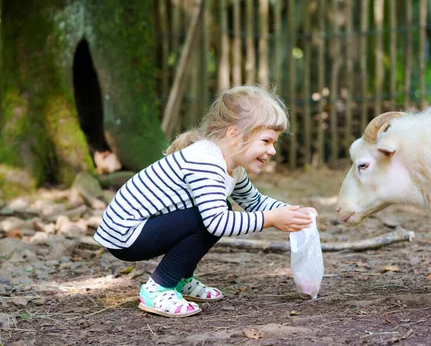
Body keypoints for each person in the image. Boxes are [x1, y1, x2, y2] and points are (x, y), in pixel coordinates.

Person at [93, 85, 317, 318]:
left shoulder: (231, 166)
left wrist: (292, 213)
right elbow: (217, 223)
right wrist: (271, 220)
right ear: (234, 135)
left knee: (216, 212)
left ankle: (180, 279)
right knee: (214, 216)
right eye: (266, 141)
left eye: (274, 143)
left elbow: (254, 201)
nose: (272, 151)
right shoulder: (206, 162)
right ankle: (159, 288)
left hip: (140, 229)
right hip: (127, 234)